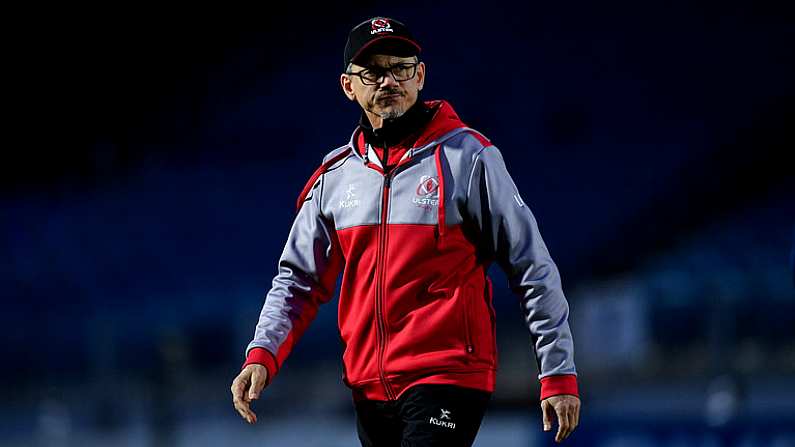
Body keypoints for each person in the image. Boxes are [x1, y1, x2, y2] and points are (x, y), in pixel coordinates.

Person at [230, 16, 581, 446]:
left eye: (401, 67)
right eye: (374, 71)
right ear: (348, 86)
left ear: (420, 75)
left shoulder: (469, 158)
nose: (389, 79)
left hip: (448, 375)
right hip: (368, 388)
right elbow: (298, 282)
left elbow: (532, 266)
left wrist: (557, 371)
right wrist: (262, 355)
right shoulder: (333, 177)